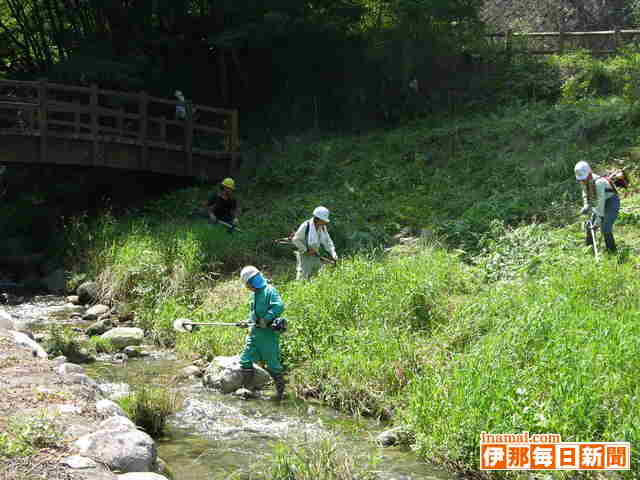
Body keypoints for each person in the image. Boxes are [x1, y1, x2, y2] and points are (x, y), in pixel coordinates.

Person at [238, 266, 286, 401]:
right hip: (254, 334)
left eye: (247, 284)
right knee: (245, 360)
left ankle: (280, 394)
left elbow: (279, 306)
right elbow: (253, 315)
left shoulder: (269, 291)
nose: (246, 287)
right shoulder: (254, 295)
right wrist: (246, 322)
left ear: (252, 282)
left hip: (268, 336)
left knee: (273, 364)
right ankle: (248, 389)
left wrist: (266, 318)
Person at [575, 160, 620, 253]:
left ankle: (612, 251)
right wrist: (586, 204)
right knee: (589, 226)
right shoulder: (583, 180)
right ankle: (589, 249)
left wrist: (597, 223)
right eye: (581, 179)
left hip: (611, 202)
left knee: (605, 228)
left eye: (584, 178)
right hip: (601, 202)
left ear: (589, 173)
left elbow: (600, 203)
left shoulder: (599, 182)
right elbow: (584, 192)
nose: (582, 181)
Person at [291, 206, 338, 280]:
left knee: (318, 275)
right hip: (304, 255)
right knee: (302, 276)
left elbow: (327, 241)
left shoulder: (322, 227)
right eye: (323, 220)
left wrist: (333, 253)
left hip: (315, 254)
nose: (325, 222)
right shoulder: (306, 226)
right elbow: (296, 239)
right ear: (318, 219)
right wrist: (306, 250)